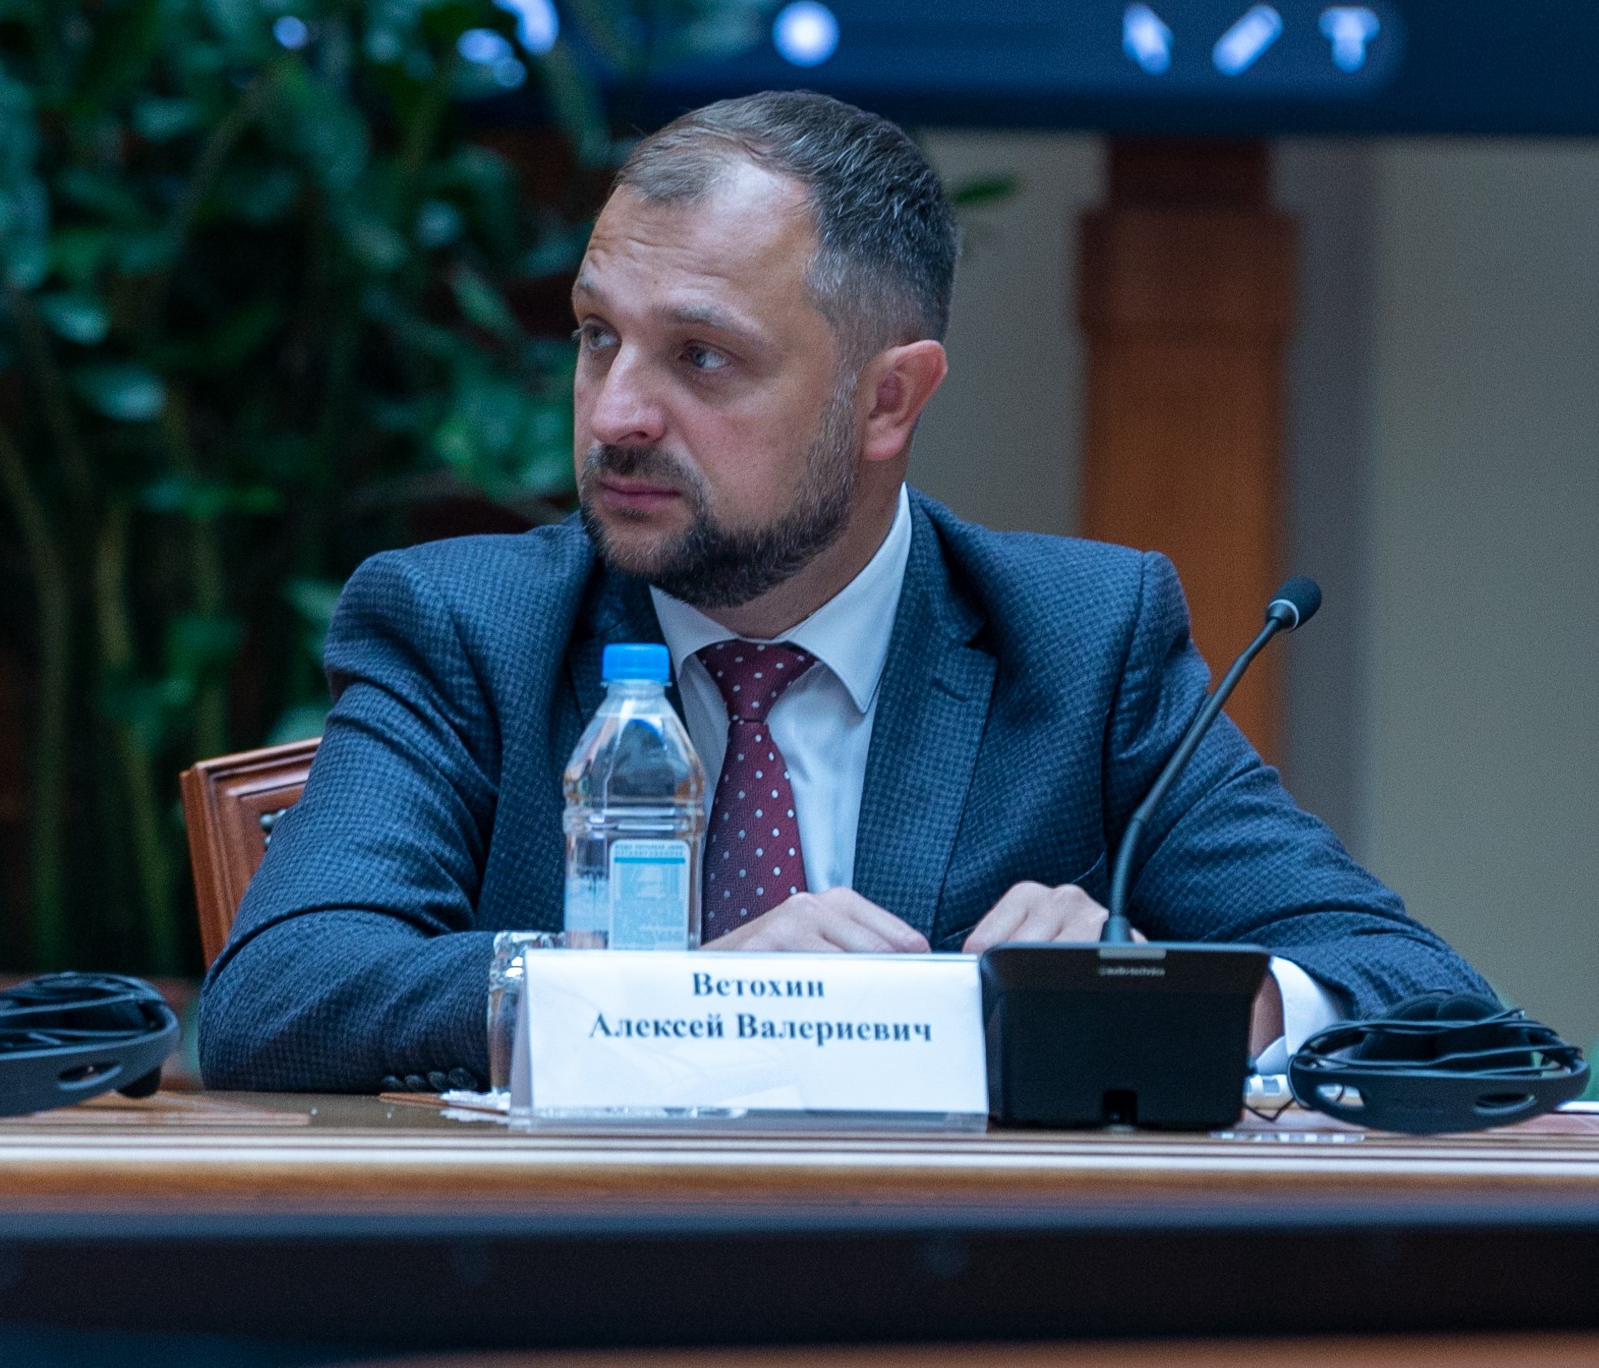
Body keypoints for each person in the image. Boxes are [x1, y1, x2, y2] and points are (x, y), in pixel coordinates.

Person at [197, 90, 1488, 1093]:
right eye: (598, 337)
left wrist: (1181, 997)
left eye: (702, 356)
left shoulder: (1081, 643)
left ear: (887, 401)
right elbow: (281, 997)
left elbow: (1425, 994)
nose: (617, 414)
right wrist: (675, 993)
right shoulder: (466, 627)